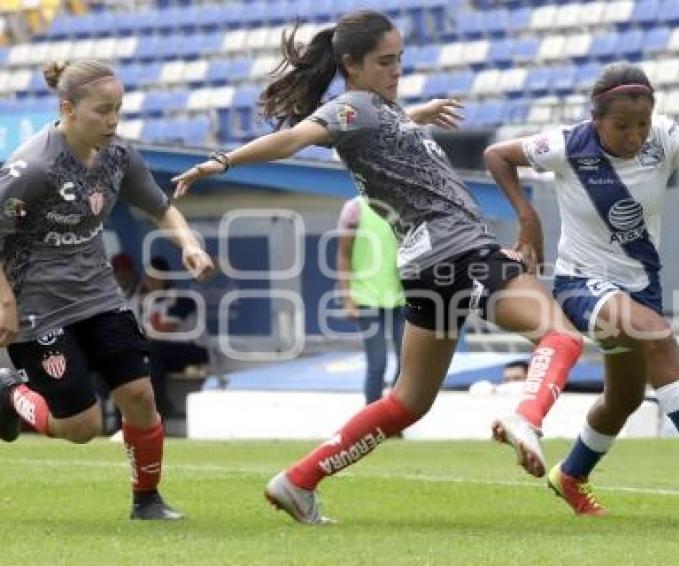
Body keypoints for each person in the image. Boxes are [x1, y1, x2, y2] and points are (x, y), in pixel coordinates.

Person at [173, 10, 586, 524]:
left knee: (408, 401)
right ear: (352, 64)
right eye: (385, 62)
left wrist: (416, 115)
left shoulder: (379, 110)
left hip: (427, 264)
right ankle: (527, 418)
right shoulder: (352, 109)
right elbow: (296, 138)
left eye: (400, 60)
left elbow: (381, 136)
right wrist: (223, 161)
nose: (397, 71)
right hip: (457, 251)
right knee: (562, 337)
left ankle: (299, 480)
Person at [484, 62, 679, 516]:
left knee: (623, 400)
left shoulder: (664, 136)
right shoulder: (566, 144)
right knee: (658, 336)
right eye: (622, 126)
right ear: (596, 118)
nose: (635, 136)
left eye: (641, 124)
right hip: (581, 284)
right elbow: (497, 155)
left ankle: (571, 475)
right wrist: (528, 216)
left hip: (641, 286)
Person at [0, 59, 215, 520]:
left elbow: (161, 207)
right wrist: (4, 301)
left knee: (139, 396)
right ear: (68, 109)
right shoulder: (33, 167)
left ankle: (147, 500)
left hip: (98, 295)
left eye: (118, 109)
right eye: (103, 111)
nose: (113, 121)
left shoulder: (119, 156)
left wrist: (189, 246)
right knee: (82, 427)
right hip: (38, 307)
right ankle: (8, 393)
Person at [337, 196, 405, 404]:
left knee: (407, 364)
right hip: (366, 297)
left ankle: (393, 419)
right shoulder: (354, 210)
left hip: (401, 298)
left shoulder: (402, 207)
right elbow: (344, 255)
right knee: (378, 363)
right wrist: (347, 298)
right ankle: (372, 421)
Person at [133, 256, 209, 418]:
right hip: (162, 354)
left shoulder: (182, 298)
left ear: (165, 278)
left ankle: (160, 410)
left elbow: (161, 332)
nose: (150, 281)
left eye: (155, 277)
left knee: (153, 352)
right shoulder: (145, 302)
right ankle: (125, 419)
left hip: (193, 350)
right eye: (148, 277)